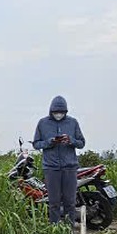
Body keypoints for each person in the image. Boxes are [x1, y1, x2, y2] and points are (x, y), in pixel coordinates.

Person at [31, 95, 86, 225]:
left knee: (70, 202)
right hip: (51, 168)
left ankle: (69, 230)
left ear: (66, 112)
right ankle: (54, 229)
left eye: (61, 112)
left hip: (70, 167)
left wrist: (71, 140)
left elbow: (82, 143)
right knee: (53, 202)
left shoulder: (73, 122)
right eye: (56, 112)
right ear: (51, 111)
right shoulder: (42, 123)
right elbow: (36, 144)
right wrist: (49, 142)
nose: (59, 115)